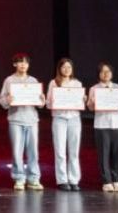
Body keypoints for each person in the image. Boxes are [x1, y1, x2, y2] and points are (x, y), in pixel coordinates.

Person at [0, 53, 45, 191]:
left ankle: (33, 178)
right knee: (17, 151)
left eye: (25, 62)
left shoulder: (33, 81)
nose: (23, 65)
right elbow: (2, 101)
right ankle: (19, 178)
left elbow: (40, 104)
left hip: (32, 120)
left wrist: (42, 100)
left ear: (28, 65)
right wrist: (8, 100)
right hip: (16, 120)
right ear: (15, 64)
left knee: (33, 151)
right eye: (20, 62)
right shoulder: (9, 80)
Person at [88, 62, 118, 193]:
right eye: (103, 71)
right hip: (101, 125)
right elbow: (90, 107)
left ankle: (116, 180)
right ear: (99, 74)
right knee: (104, 154)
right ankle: (106, 181)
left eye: (108, 71)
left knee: (116, 154)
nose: (105, 74)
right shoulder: (94, 89)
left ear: (111, 73)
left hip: (117, 124)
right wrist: (92, 102)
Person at [47, 58, 83, 191]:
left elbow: (80, 103)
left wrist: (82, 100)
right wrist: (53, 101)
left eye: (69, 67)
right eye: (64, 67)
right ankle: (62, 180)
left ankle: (74, 180)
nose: (66, 69)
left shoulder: (77, 84)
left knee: (74, 151)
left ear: (72, 69)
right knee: (60, 151)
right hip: (59, 118)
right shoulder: (53, 83)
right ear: (59, 69)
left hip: (74, 118)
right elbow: (48, 104)